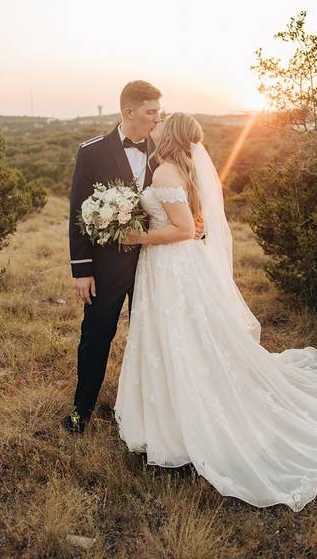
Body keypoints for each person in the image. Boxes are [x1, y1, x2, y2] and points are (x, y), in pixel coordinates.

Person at [113, 112, 317, 512]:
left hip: (172, 266)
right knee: (183, 339)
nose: (155, 126)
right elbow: (192, 225)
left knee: (180, 339)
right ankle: (171, 413)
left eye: (161, 123)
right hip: (175, 268)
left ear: (170, 134)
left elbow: (181, 231)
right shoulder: (183, 169)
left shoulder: (165, 174)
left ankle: (179, 424)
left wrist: (137, 235)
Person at [62, 80, 203, 433]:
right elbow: (78, 212)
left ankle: (157, 416)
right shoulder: (91, 151)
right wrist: (82, 270)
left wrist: (200, 230)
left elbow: (185, 200)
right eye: (151, 112)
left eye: (159, 111)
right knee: (96, 336)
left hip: (157, 266)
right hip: (107, 267)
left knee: (156, 337)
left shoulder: (165, 152)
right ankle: (83, 410)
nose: (158, 119)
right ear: (129, 112)